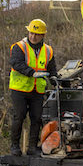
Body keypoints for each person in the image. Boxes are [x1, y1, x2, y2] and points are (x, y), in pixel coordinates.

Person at [8, 18, 58, 155]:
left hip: (37, 90)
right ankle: (14, 146)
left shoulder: (48, 50)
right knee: (19, 116)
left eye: (36, 34)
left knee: (37, 118)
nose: (33, 36)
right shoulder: (19, 47)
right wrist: (31, 73)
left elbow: (52, 68)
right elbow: (16, 63)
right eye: (31, 33)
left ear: (43, 35)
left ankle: (32, 147)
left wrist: (55, 79)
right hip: (20, 89)